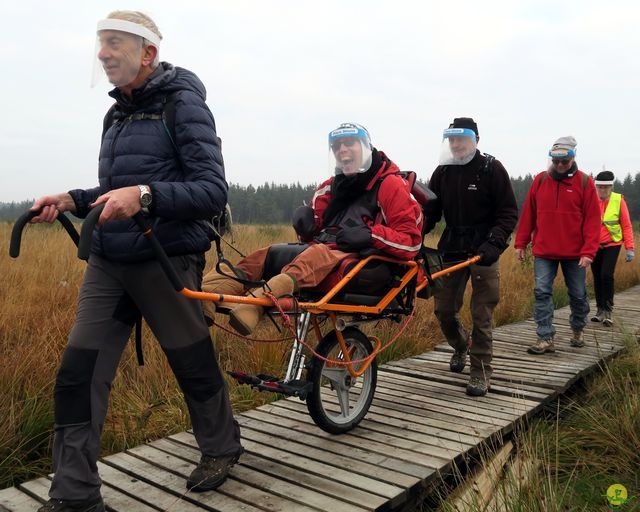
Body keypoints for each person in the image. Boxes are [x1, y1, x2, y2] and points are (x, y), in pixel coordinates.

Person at [30, 11, 242, 512]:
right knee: (77, 375)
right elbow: (113, 189)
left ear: (146, 53)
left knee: (192, 364)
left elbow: (212, 192)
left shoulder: (184, 106)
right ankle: (75, 495)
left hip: (165, 260)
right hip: (109, 262)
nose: (102, 53)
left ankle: (221, 448)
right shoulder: (117, 114)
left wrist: (145, 195)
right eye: (100, 43)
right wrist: (71, 199)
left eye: (114, 43)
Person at [201, 122, 424, 335]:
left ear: (366, 147)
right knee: (269, 253)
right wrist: (305, 223)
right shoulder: (330, 187)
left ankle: (256, 304)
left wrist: (370, 235)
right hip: (325, 247)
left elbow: (411, 241)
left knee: (316, 255)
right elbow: (314, 228)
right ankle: (208, 295)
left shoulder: (390, 185)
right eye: (337, 146)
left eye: (349, 143)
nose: (342, 149)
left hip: (363, 256)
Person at [424, 117, 518, 397]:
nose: (456, 144)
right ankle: (461, 346)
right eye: (451, 139)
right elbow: (431, 211)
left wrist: (494, 242)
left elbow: (508, 213)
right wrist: (413, 232)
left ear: (476, 140)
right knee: (443, 310)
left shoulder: (492, 169)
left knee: (482, 314)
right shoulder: (442, 171)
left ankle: (480, 372)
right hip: (452, 247)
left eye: (461, 139)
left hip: (484, 251)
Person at [515, 136, 601, 354]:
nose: (560, 165)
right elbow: (528, 214)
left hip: (575, 253)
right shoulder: (540, 180)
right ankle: (545, 338)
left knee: (578, 295)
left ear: (573, 158)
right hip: (544, 251)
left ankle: (578, 329)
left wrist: (589, 252)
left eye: (565, 161)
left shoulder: (584, 182)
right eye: (556, 161)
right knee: (542, 292)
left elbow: (593, 221)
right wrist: (521, 243)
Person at [590, 170, 635, 326]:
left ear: (611, 186)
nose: (602, 190)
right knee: (597, 277)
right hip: (594, 245)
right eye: (600, 187)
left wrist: (630, 248)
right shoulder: (591, 200)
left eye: (606, 187)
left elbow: (627, 225)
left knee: (606, 275)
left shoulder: (618, 200)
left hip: (612, 244)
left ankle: (608, 311)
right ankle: (599, 309)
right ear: (596, 187)